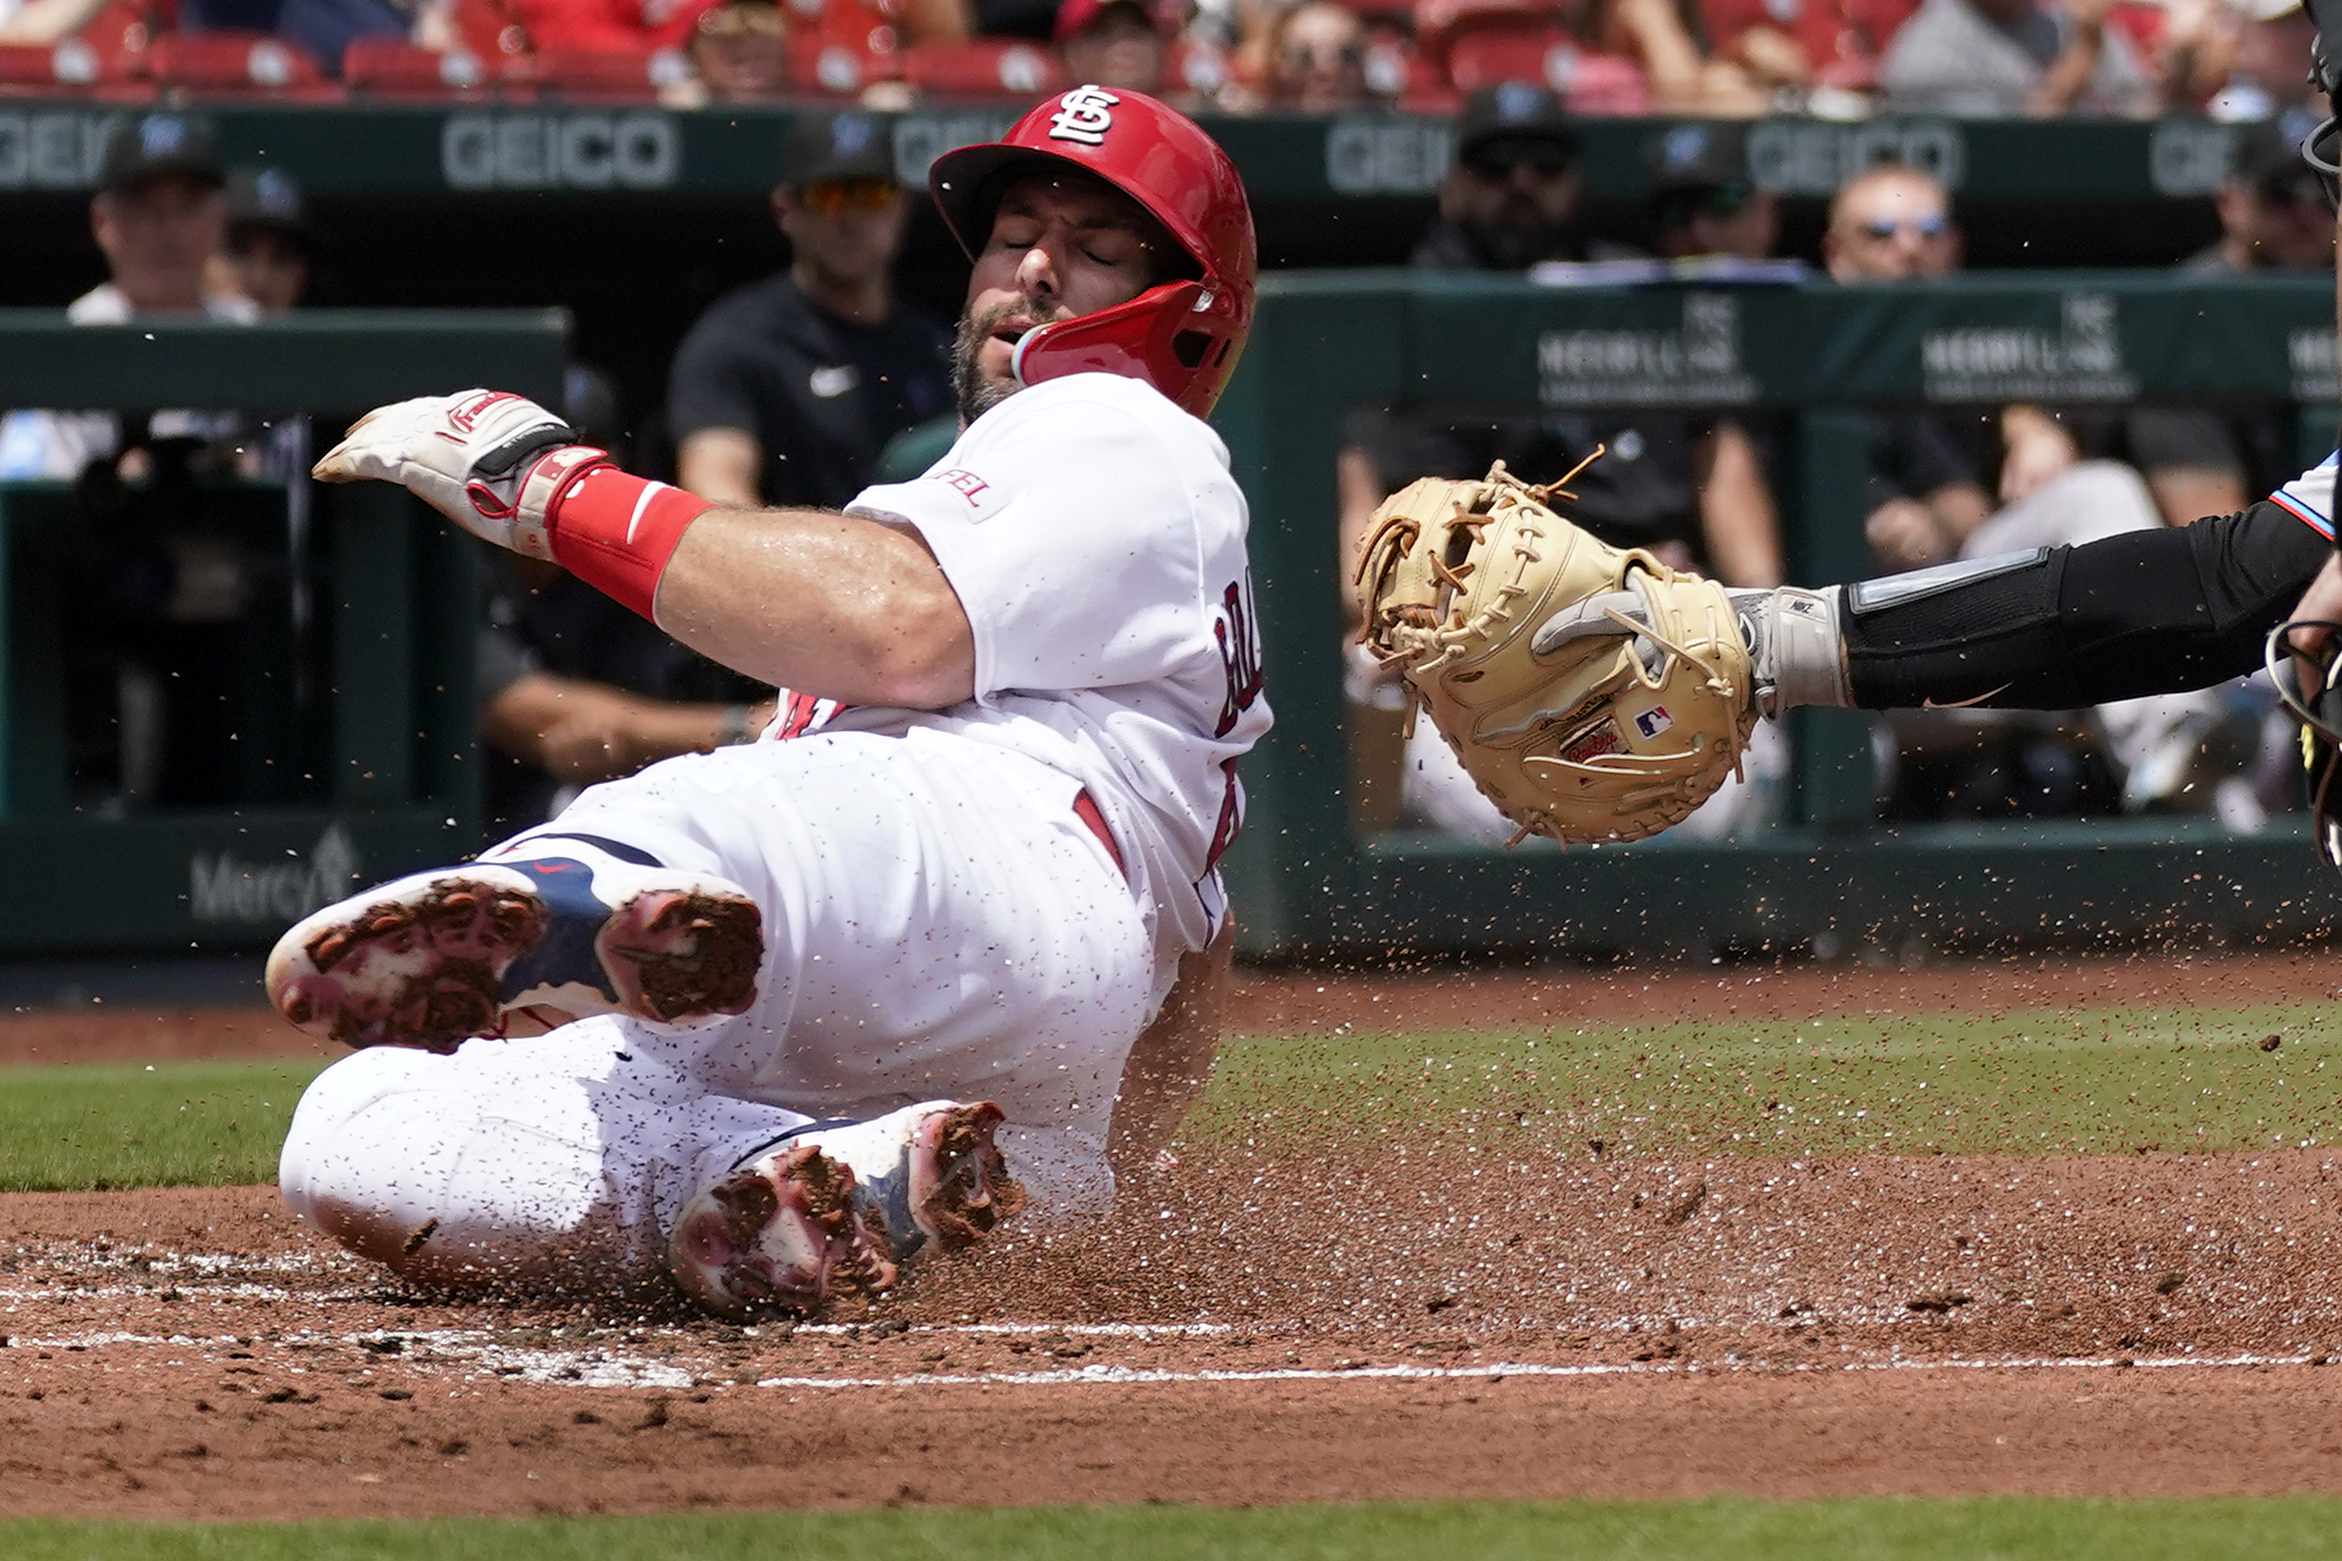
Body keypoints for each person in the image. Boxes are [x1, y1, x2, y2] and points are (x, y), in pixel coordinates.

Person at [265, 87, 1270, 1320]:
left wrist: (550, 493)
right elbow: (1200, 945)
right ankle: (798, 1180)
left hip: (967, 862)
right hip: (987, 1008)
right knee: (361, 1128)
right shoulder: (1105, 530)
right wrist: (1102, 1160)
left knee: (742, 806)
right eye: (1013, 235)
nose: (1037, 270)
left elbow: (893, 629)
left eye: (1098, 247)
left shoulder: (1124, 426)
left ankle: (573, 892)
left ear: (1189, 315)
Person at [1341, 87, 1786, 843]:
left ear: (1576, 180)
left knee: (1735, 797)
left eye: (1544, 164)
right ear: (1455, 182)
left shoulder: (1631, 295)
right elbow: (1363, 554)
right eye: (1496, 164)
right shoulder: (1404, 315)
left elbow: (1723, 463)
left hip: (1651, 636)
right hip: (1478, 659)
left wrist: (1726, 603)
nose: (1522, 182)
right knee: (1460, 783)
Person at [666, 109, 953, 512]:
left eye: (871, 195)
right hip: (790, 563)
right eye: (829, 196)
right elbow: (715, 492)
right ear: (787, 210)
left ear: (901, 206)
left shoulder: (936, 347)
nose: (851, 218)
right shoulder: (737, 340)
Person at [0, 112, 257, 484]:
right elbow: (29, 504)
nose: (169, 230)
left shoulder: (254, 333)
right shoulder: (69, 344)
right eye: (146, 208)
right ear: (104, 221)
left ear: (218, 219)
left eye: (187, 206)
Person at [1879, 0, 2156, 115]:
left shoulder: (2067, 22)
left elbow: (2142, 112)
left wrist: (2181, 70)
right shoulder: (1929, 46)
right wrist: (2084, 53)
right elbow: (2006, 153)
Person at [1056, 0, 1172, 94]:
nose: (1123, 45)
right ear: (1069, 53)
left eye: (1136, 30)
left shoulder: (1181, 120)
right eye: (1101, 31)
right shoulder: (1048, 119)